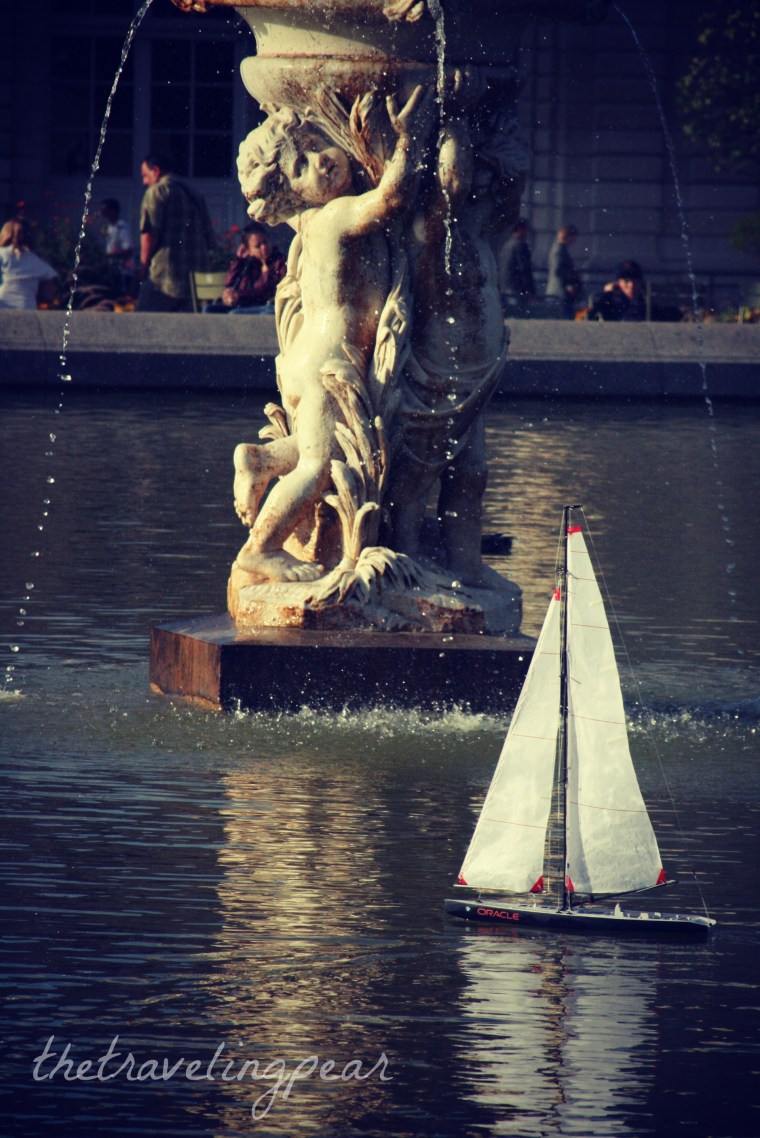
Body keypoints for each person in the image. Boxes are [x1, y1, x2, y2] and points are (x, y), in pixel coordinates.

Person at [231, 87, 428, 583]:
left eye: (315, 148)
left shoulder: (310, 227)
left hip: (305, 358)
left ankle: (260, 459)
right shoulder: (337, 218)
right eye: (302, 168)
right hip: (327, 365)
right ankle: (260, 549)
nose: (321, 161)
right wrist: (406, 143)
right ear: (292, 193)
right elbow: (392, 198)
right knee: (318, 466)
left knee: (313, 445)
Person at [136, 154, 214, 312]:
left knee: (143, 323)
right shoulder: (194, 193)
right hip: (193, 281)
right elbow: (209, 236)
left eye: (145, 175)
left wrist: (143, 266)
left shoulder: (157, 191)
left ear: (156, 171)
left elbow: (149, 232)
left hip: (164, 277)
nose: (144, 182)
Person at [206, 222, 287, 314]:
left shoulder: (279, 262)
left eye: (265, 242)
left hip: (268, 306)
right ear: (248, 249)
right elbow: (229, 284)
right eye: (258, 246)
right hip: (247, 305)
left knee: (235, 314)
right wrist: (238, 260)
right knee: (209, 309)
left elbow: (265, 291)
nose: (264, 247)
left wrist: (239, 295)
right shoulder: (249, 263)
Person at [0, 218, 57, 309]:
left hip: (2, 304)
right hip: (26, 306)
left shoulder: (2, 254)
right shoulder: (37, 261)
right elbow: (48, 295)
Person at [546, 223, 582, 319]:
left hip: (560, 291)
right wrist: (570, 283)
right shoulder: (559, 250)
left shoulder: (561, 249)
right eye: (572, 237)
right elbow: (558, 270)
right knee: (564, 319)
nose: (573, 240)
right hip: (561, 291)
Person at [498, 217, 535, 310]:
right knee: (519, 314)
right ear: (521, 229)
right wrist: (530, 290)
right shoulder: (520, 245)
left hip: (504, 286)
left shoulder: (507, 243)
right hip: (517, 288)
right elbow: (524, 269)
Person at [100, 198, 134, 295]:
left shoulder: (121, 227)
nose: (103, 213)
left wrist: (110, 256)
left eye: (105, 210)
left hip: (122, 270)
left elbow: (129, 250)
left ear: (113, 211)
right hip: (112, 268)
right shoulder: (108, 227)